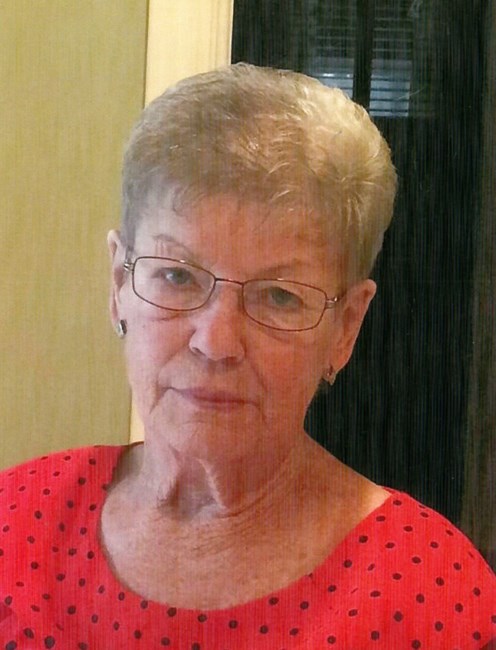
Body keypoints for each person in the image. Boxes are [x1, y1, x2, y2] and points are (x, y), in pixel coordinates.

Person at [1, 63, 495, 649]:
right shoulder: (16, 521)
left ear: (345, 327)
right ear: (119, 285)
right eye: (177, 276)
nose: (216, 343)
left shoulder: (435, 594)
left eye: (280, 296)